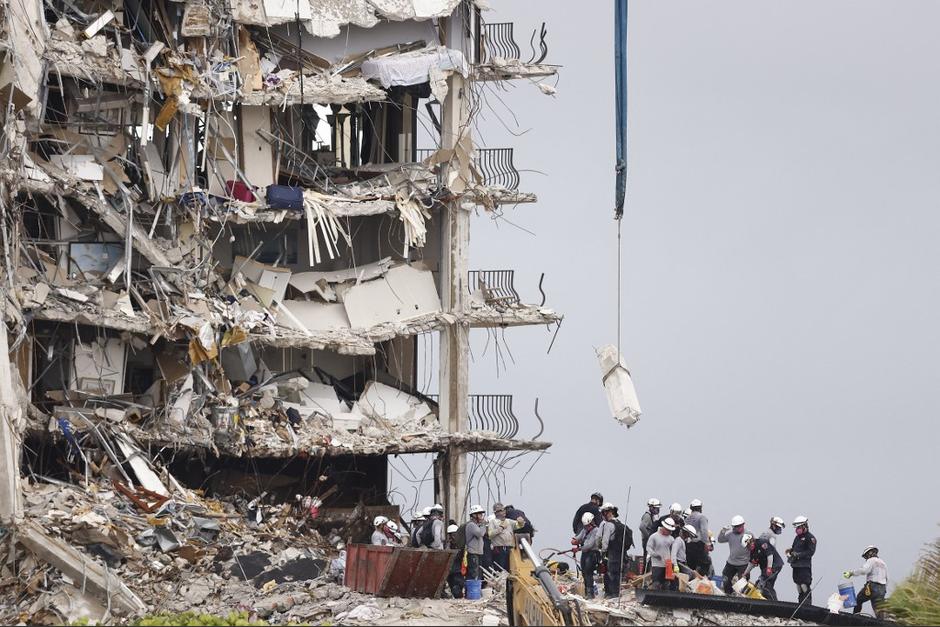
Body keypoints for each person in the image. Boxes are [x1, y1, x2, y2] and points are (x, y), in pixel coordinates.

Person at [599, 503, 632, 599]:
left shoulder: (608, 525)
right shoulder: (621, 525)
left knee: (611, 573)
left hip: (612, 553)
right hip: (621, 554)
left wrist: (602, 552)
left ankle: (611, 594)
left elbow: (605, 542)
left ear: (607, 513)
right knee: (618, 574)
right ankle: (616, 593)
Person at [843, 545, 888, 618]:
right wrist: (884, 590)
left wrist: (851, 573)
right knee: (879, 608)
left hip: (872, 586)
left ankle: (855, 617)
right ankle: (882, 622)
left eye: (866, 556)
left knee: (859, 599)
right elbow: (886, 578)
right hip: (882, 589)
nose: (866, 558)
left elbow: (864, 570)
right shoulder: (883, 563)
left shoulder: (871, 560)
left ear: (870, 553)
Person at [743, 532, 783, 601]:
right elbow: (751, 563)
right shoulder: (752, 552)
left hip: (774, 565)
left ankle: (774, 603)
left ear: (752, 540)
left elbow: (770, 555)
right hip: (765, 568)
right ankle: (767, 601)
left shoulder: (762, 543)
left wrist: (769, 568)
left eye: (749, 545)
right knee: (761, 585)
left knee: (765, 584)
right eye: (747, 547)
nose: (749, 547)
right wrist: (745, 573)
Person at [786, 515, 816, 606]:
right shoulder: (797, 538)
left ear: (804, 526)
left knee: (804, 585)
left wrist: (799, 555)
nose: (797, 530)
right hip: (796, 565)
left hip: (804, 565)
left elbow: (810, 552)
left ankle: (807, 604)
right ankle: (800, 603)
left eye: (799, 527)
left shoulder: (810, 538)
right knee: (798, 585)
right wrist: (790, 552)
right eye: (796, 528)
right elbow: (794, 548)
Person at [717, 515, 750, 594]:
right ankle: (729, 595)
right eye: (735, 527)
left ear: (743, 525)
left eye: (739, 526)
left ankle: (743, 600)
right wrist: (723, 531)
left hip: (743, 564)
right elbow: (720, 540)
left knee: (743, 584)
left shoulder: (749, 534)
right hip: (731, 562)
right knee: (725, 578)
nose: (737, 528)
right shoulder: (730, 534)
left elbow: (754, 547)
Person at [572, 512, 602, 599]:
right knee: (584, 572)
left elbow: (589, 545)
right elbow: (578, 537)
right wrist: (575, 540)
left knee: (589, 573)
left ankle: (590, 593)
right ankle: (586, 592)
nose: (586, 527)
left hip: (592, 553)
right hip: (585, 553)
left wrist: (578, 549)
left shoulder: (596, 530)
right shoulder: (585, 530)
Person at [645, 517, 676, 591]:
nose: (669, 532)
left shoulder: (671, 539)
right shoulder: (654, 536)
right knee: (656, 583)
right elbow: (648, 548)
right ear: (664, 528)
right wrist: (655, 554)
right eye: (668, 530)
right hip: (657, 565)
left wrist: (673, 563)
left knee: (666, 583)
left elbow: (673, 551)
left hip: (667, 565)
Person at [685, 499, 712, 576]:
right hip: (699, 544)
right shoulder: (702, 517)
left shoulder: (687, 518)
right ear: (700, 508)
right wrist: (706, 543)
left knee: (691, 566)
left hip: (689, 545)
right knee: (705, 563)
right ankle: (701, 581)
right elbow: (704, 531)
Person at [488, 503, 517, 572]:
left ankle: (507, 582)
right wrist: (501, 528)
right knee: (499, 568)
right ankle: (500, 581)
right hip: (499, 549)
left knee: (509, 568)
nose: (503, 512)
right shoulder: (493, 522)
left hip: (509, 548)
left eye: (503, 510)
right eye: (500, 510)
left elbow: (518, 525)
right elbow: (490, 534)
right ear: (496, 513)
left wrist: (521, 522)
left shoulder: (508, 521)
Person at [671, 524, 701, 590]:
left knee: (692, 573)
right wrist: (675, 565)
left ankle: (685, 588)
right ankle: (684, 588)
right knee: (690, 573)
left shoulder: (683, 541)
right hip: (678, 563)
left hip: (682, 563)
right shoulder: (678, 540)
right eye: (690, 535)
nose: (690, 537)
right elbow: (673, 553)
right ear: (686, 533)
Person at [465, 504, 487, 581]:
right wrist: (484, 525)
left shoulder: (477, 525)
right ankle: (472, 591)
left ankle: (476, 590)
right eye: (479, 514)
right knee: (473, 573)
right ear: (474, 515)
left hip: (478, 553)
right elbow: (480, 534)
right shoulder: (471, 525)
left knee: (478, 573)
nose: (481, 516)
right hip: (473, 553)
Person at [640, 498, 662, 567]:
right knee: (647, 558)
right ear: (651, 508)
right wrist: (649, 537)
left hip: (649, 540)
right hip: (647, 540)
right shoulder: (647, 516)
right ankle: (645, 573)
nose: (658, 510)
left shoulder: (652, 516)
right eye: (656, 508)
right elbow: (642, 527)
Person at [446, 524, 465, 598]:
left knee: (457, 587)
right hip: (451, 571)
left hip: (458, 571)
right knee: (453, 586)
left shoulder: (460, 544)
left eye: (454, 535)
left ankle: (459, 595)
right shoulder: (448, 544)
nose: (453, 537)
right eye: (451, 535)